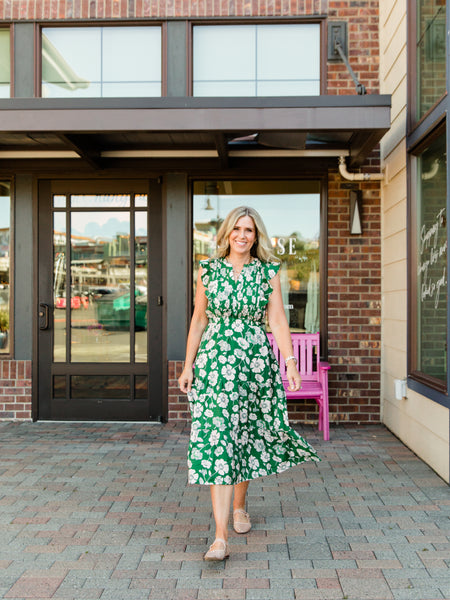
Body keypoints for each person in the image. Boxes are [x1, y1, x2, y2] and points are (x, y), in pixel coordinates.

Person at [178, 206, 320, 561]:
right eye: (237, 229)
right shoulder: (208, 269)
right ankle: (220, 537)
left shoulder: (267, 271)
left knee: (245, 434)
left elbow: (277, 319)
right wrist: (188, 365)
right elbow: (198, 320)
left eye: (250, 231)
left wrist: (290, 362)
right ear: (227, 233)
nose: (243, 235)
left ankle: (241, 504)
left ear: (256, 237)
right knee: (218, 438)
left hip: (254, 364)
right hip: (214, 366)